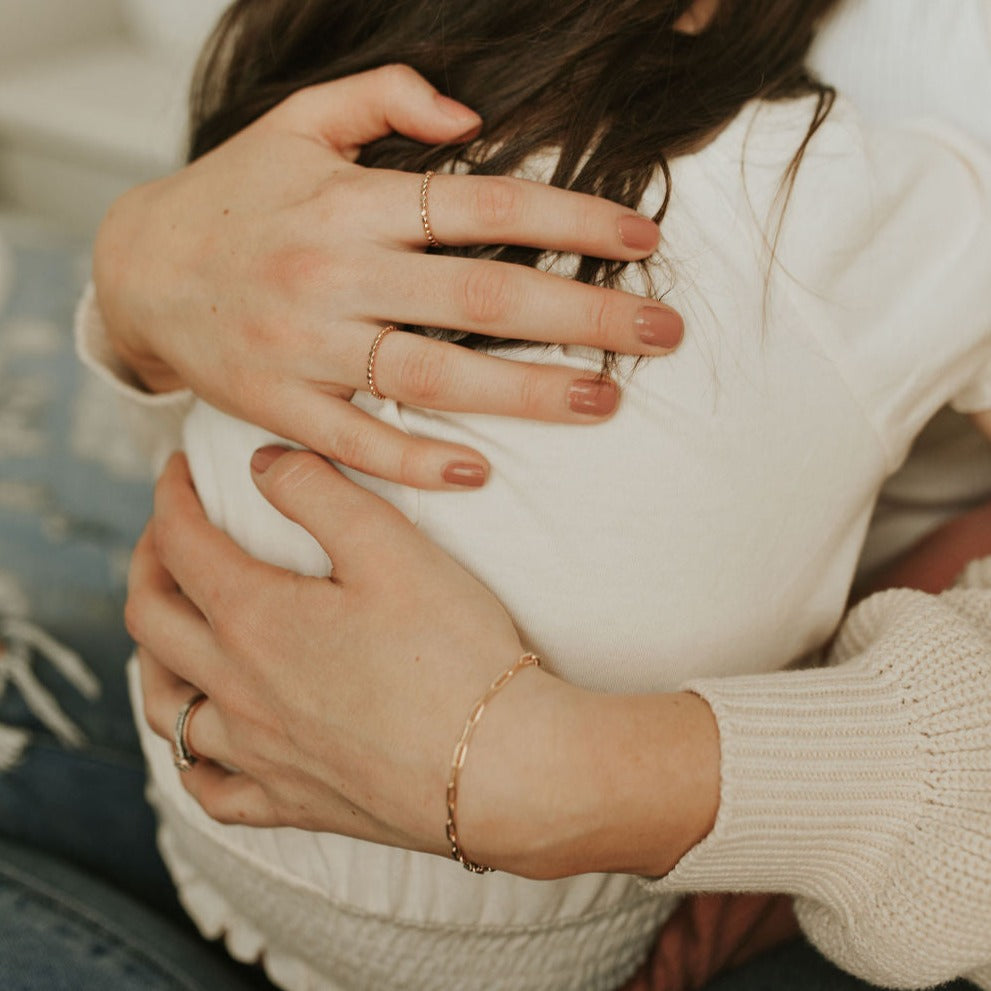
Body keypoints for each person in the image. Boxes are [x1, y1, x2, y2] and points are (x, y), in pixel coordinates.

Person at [82, 0, 991, 989]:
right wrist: (136, 279)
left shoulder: (333, 52)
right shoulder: (853, 197)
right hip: (254, 807)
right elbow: (213, 388)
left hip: (249, 818)